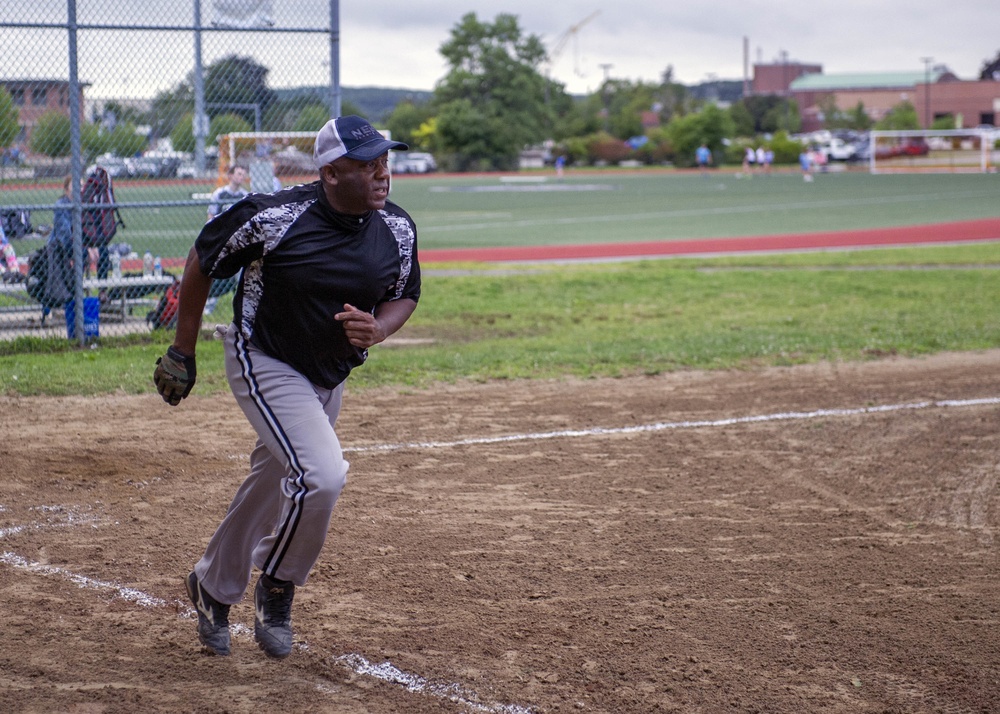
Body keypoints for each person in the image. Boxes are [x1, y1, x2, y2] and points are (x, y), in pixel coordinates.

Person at [152, 114, 420, 660]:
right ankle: (277, 583)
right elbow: (202, 259)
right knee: (321, 475)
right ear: (330, 173)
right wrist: (183, 349)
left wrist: (380, 328)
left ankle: (211, 585)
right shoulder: (274, 217)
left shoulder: (396, 226)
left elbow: (405, 292)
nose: (382, 174)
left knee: (273, 479)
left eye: (384, 162)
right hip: (264, 357)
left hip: (329, 372)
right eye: (367, 165)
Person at [204, 165, 249, 312]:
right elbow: (211, 217)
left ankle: (241, 306)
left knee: (241, 274)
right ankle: (209, 305)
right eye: (238, 173)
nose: (241, 177)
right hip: (222, 240)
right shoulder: (220, 194)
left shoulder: (244, 195)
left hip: (239, 241)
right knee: (217, 272)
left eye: (243, 174)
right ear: (230, 176)